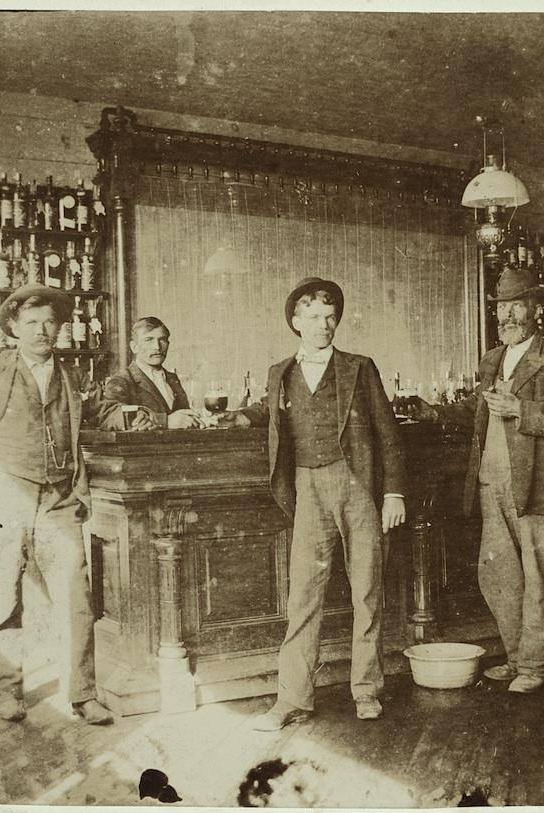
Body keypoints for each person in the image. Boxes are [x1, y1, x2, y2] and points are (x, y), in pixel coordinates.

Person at [220, 276, 407, 728]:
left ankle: (367, 690)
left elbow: (388, 434)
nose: (325, 325)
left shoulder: (360, 367)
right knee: (303, 595)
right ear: (296, 321)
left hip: (357, 485)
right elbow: (271, 413)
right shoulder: (279, 372)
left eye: (331, 316)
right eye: (315, 317)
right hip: (307, 487)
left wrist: (393, 492)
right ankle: (292, 700)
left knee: (367, 591)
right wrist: (239, 415)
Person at [411, 266, 544, 693]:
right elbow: (479, 408)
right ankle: (517, 657)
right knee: (500, 576)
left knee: (539, 578)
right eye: (502, 306)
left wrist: (520, 411)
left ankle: (536, 667)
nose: (508, 314)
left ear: (535, 308)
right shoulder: (493, 358)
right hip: (493, 483)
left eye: (517, 305)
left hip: (538, 486)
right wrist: (434, 412)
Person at [0, 283, 125, 724]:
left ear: (59, 328)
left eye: (48, 322)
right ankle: (8, 690)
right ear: (13, 328)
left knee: (76, 595)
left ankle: (82, 693)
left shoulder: (70, 375)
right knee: (2, 593)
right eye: (31, 323)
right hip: (6, 491)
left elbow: (88, 421)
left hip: (58, 495)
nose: (41, 330)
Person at [103, 316, 201, 429]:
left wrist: (202, 418)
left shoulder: (172, 379)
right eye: (148, 340)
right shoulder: (121, 381)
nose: (157, 347)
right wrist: (164, 421)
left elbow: (183, 417)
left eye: (162, 340)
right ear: (134, 347)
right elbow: (110, 416)